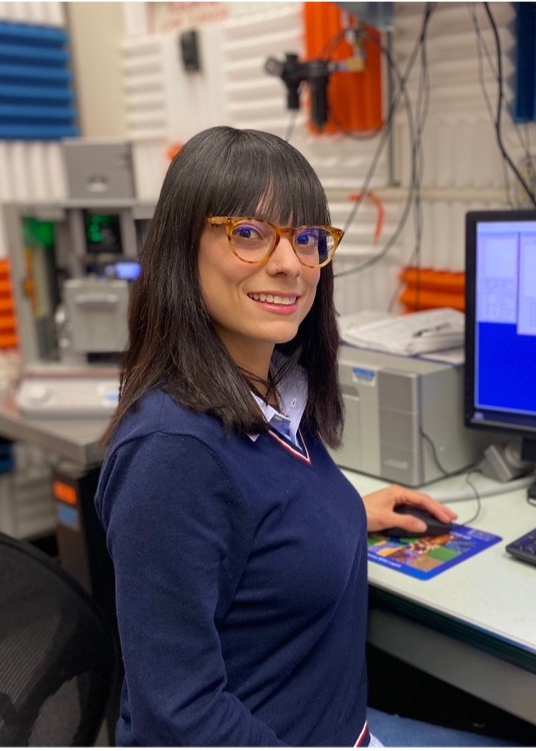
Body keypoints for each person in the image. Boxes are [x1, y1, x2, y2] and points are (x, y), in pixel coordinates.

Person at [95, 125, 462, 746]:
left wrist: (342, 511)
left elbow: (256, 511)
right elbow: (179, 718)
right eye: (248, 233)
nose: (290, 263)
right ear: (183, 250)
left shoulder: (275, 389)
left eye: (307, 237)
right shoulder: (172, 453)